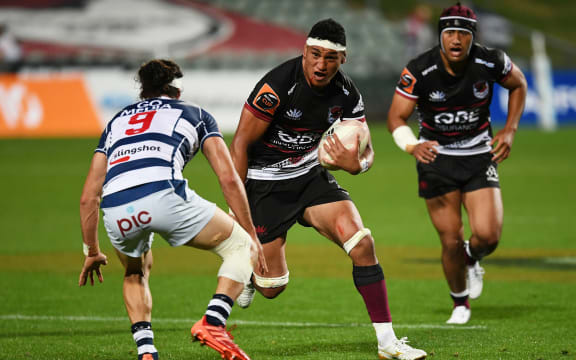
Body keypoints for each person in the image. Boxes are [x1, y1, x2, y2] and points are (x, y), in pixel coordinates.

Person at [230, 19, 427, 360]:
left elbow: (365, 148)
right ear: (304, 52)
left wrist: (357, 166)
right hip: (264, 185)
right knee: (272, 288)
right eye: (315, 55)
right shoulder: (277, 86)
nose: (321, 64)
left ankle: (387, 343)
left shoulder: (347, 93)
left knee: (362, 244)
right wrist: (237, 206)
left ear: (343, 59)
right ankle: (250, 268)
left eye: (330, 57)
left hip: (309, 176)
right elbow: (241, 143)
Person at [78, 59, 267, 360]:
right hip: (163, 194)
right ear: (177, 90)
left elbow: (89, 196)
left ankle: (147, 352)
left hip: (116, 208)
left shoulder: (115, 123)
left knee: (135, 270)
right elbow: (229, 177)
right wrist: (250, 233)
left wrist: (91, 250)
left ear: (143, 90)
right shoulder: (196, 114)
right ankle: (213, 322)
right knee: (241, 247)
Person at [387, 3, 527, 324]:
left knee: (488, 236)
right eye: (449, 32)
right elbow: (396, 118)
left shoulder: (490, 61)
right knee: (449, 238)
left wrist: (510, 130)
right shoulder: (419, 70)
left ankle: (471, 256)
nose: (455, 39)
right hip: (436, 159)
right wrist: (412, 145)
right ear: (440, 36)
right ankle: (460, 304)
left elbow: (518, 85)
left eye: (463, 33)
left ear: (472, 37)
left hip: (478, 155)